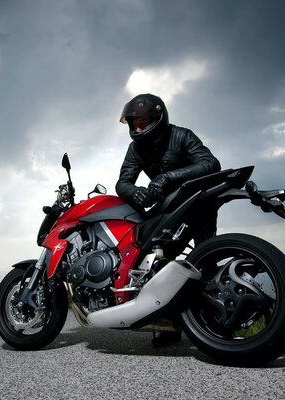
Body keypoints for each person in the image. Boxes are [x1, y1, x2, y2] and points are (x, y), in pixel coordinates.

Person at [115, 93, 221, 347]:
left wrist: (169, 177)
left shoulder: (182, 135)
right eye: (134, 123)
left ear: (158, 117)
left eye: (142, 121)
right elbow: (122, 182)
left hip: (198, 203)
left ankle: (216, 323)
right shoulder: (136, 148)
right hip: (167, 210)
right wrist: (135, 192)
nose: (138, 127)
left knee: (206, 259)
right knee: (159, 264)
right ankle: (169, 325)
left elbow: (211, 163)